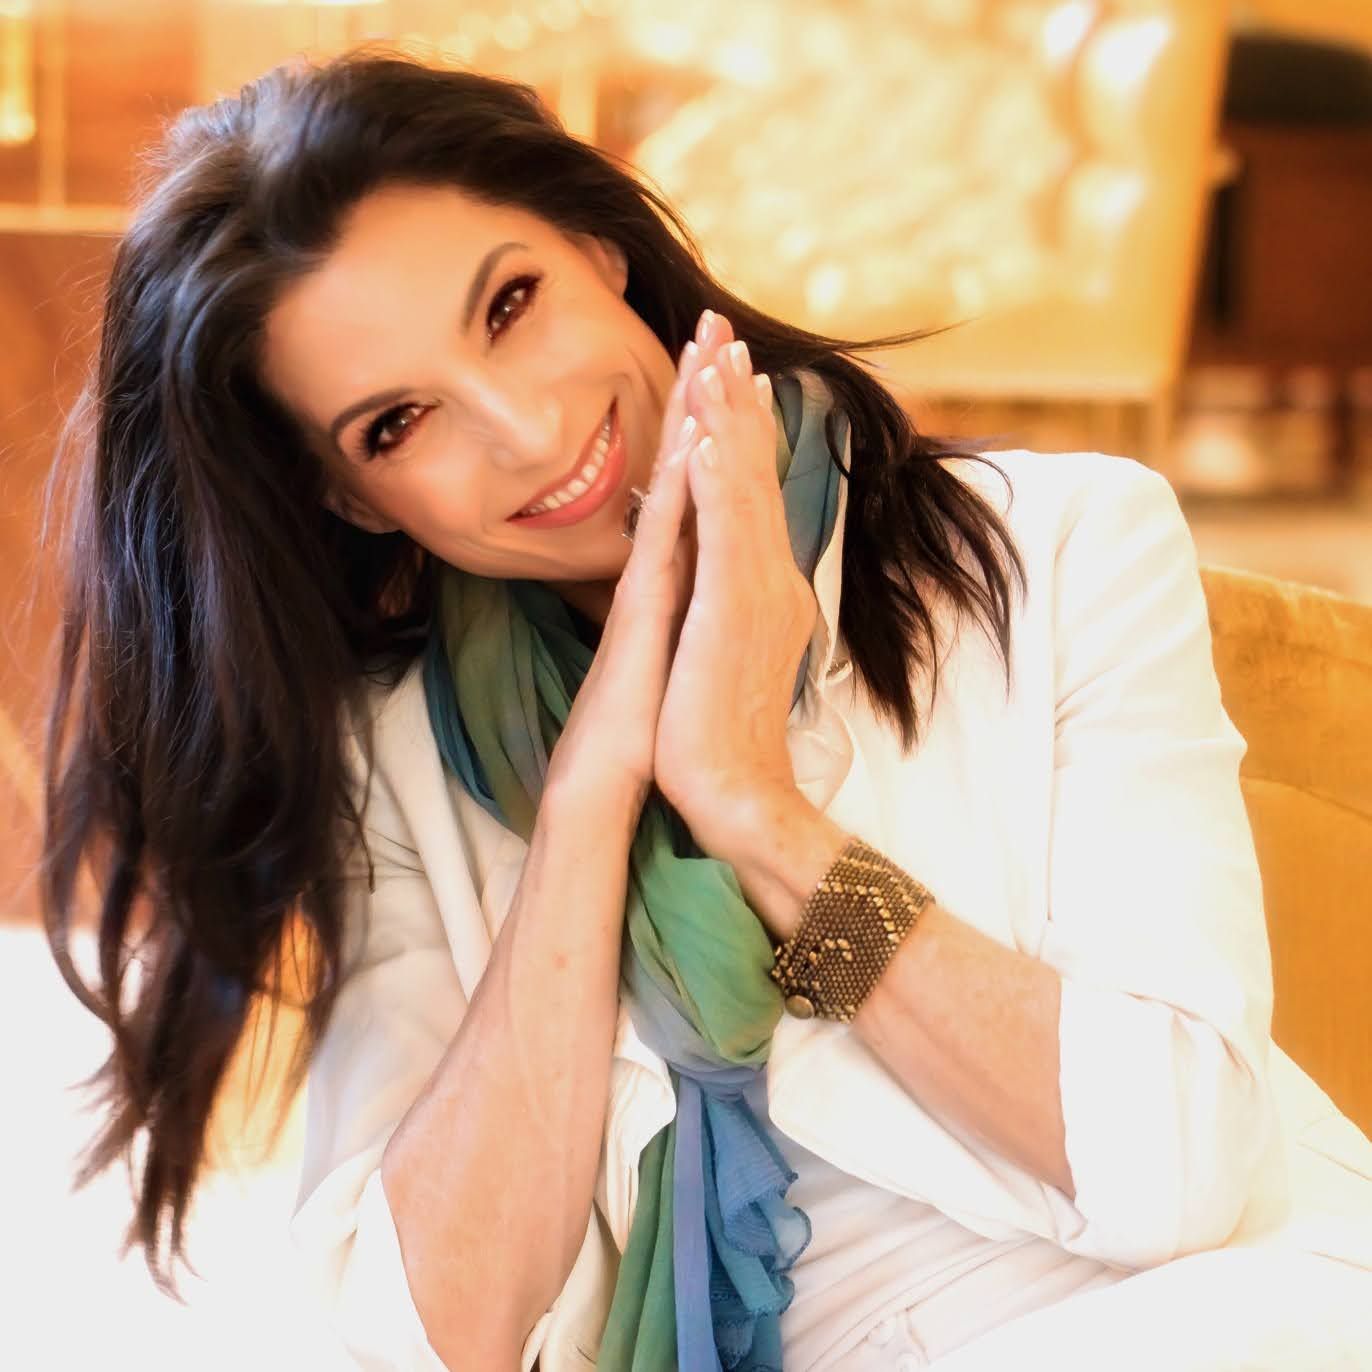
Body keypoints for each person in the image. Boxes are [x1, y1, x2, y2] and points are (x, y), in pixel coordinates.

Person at [41, 47, 1372, 1372]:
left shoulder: (1065, 547)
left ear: (598, 245)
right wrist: (589, 799)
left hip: (1214, 1318)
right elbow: (439, 1340)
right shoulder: (396, 757)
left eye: (510, 304)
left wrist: (755, 812)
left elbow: (1174, 1166)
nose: (525, 430)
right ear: (350, 498)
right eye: (398, 422)